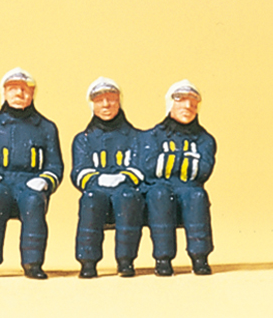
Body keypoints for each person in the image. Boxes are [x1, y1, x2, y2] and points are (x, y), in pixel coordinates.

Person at [0, 68, 62, 279]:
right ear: (3, 93)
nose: (19, 93)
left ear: (33, 93)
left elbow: (55, 165)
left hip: (30, 182)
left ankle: (33, 264)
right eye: (13, 88)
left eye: (24, 89)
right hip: (1, 181)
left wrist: (44, 180)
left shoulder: (46, 128)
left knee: (34, 204)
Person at [140, 80, 216, 276]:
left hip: (189, 187)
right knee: (159, 196)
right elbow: (149, 168)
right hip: (159, 186)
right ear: (170, 104)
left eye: (193, 102)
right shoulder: (153, 136)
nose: (188, 106)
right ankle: (163, 259)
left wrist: (169, 159)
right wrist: (187, 159)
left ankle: (200, 258)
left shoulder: (205, 140)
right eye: (181, 100)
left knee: (197, 197)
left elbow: (203, 170)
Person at [71, 77, 145, 278]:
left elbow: (141, 167)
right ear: (92, 104)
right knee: (91, 200)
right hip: (97, 189)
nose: (106, 105)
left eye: (111, 99)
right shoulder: (83, 140)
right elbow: (79, 171)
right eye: (99, 100)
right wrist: (97, 180)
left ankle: (126, 261)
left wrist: (123, 178)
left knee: (129, 199)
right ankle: (88, 262)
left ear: (119, 101)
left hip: (125, 188)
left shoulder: (136, 137)